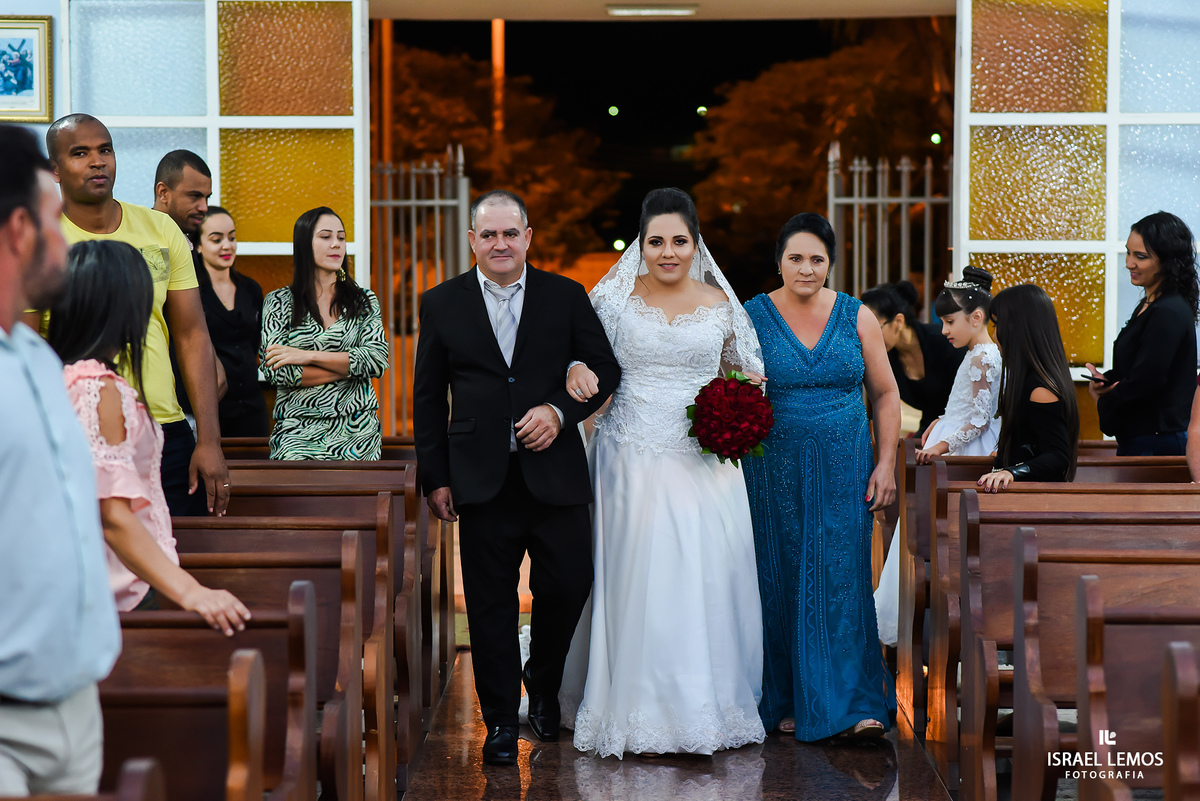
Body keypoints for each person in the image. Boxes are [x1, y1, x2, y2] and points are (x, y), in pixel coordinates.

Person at [412, 190, 620, 765]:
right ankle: (502, 719)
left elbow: (605, 369)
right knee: (489, 605)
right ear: (472, 241)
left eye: (510, 234)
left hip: (555, 476)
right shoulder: (442, 303)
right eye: (488, 235)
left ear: (529, 237)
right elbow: (427, 399)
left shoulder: (565, 295)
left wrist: (559, 410)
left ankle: (545, 683)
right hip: (479, 479)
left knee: (570, 582)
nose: (500, 244)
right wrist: (436, 478)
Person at [558, 188, 768, 758]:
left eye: (679, 241)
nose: (668, 252)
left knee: (701, 576)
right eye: (656, 242)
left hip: (703, 461)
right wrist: (577, 366)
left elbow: (750, 375)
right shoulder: (613, 301)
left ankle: (703, 705)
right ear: (641, 244)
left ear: (696, 244)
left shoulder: (722, 304)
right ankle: (626, 706)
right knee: (634, 575)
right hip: (628, 455)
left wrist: (736, 414)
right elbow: (578, 355)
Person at [742, 212, 899, 741]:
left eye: (817, 259)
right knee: (780, 577)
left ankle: (854, 705)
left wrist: (886, 462)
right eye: (796, 258)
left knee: (840, 576)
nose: (806, 269)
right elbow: (731, 386)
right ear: (780, 261)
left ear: (831, 263)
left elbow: (885, 393)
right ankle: (785, 698)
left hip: (844, 468)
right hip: (772, 469)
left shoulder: (858, 317)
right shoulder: (752, 315)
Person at [0, 124, 120, 796]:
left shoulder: (40, 360)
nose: (67, 240)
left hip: (75, 703)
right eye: (54, 220)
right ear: (21, 229)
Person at [48, 239, 252, 635]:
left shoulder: (68, 378)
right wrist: (191, 593)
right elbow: (111, 514)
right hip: (122, 589)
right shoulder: (96, 387)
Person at [40, 113, 230, 516]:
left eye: (105, 150)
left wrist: (209, 439)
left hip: (166, 428)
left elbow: (192, 335)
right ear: (55, 170)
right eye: (80, 153)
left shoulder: (161, 230)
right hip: (80, 431)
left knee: (177, 557)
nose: (98, 161)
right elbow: (23, 351)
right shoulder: (42, 242)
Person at [874, 267, 1001, 645]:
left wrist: (943, 445)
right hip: (950, 439)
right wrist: (940, 422)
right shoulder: (975, 352)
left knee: (937, 537)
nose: (943, 330)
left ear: (976, 317)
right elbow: (964, 405)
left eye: (949, 321)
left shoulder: (984, 357)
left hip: (964, 450)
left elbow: (979, 418)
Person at [260, 207, 388, 459]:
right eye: (326, 236)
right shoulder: (278, 302)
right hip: (296, 433)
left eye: (341, 238)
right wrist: (349, 367)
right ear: (305, 243)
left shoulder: (364, 300)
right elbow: (277, 372)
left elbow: (376, 361)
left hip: (358, 432)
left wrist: (305, 356)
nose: (336, 244)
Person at [1086, 211, 1199, 456]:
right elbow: (1138, 368)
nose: (1128, 263)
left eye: (1141, 256)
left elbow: (1147, 380)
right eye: (1128, 252)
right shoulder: (1150, 303)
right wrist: (1108, 380)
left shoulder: (1167, 311)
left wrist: (1105, 399)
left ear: (1168, 261)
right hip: (1146, 437)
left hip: (1157, 441)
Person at [978, 284, 1079, 492]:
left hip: (1036, 499)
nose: (995, 336)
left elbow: (1058, 456)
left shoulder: (1041, 389)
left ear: (1018, 329)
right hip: (1025, 494)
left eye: (997, 326)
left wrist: (1012, 472)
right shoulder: (1030, 381)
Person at [188, 207, 269, 436]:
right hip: (212, 410)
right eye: (217, 239)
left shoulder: (251, 289)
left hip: (253, 408)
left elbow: (255, 343)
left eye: (232, 238)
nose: (227, 245)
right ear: (200, 246)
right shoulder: (192, 293)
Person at [862, 280, 964, 439]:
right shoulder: (885, 358)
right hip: (930, 431)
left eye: (874, 328)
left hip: (963, 431)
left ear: (898, 322)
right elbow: (880, 406)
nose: (866, 337)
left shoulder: (945, 341)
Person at [152, 149, 212, 246]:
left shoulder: (197, 247)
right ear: (163, 193)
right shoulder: (134, 245)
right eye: (194, 196)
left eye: (207, 198)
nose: (204, 208)